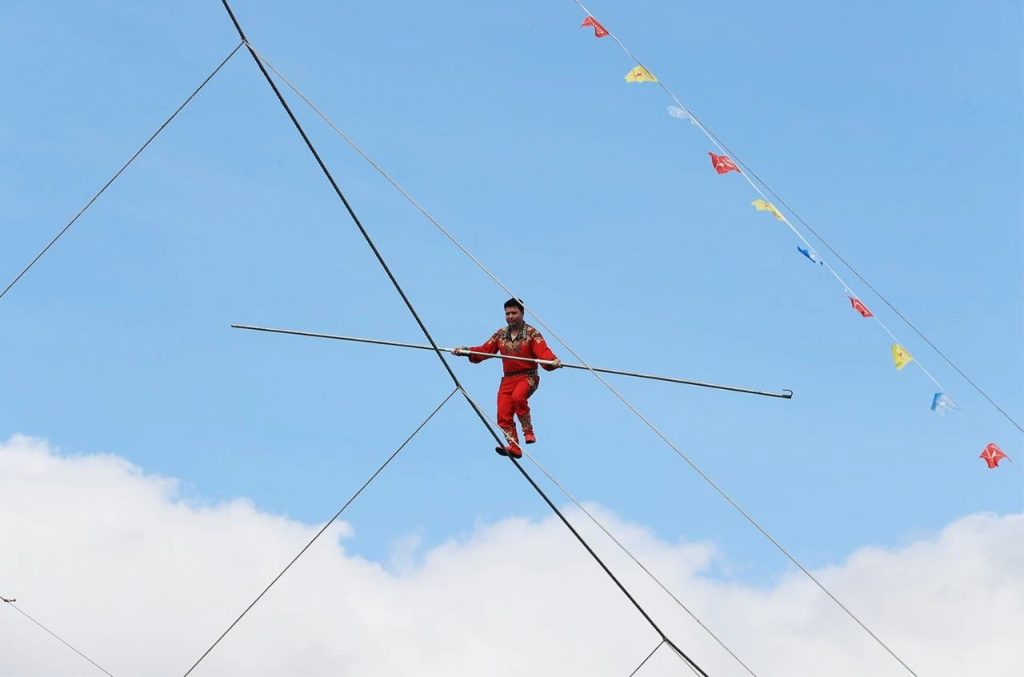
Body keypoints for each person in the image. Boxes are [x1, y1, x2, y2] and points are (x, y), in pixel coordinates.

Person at [454, 298, 561, 458]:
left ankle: (528, 432)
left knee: (518, 397)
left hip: (528, 376)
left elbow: (543, 352)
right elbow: (485, 350)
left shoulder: (532, 333)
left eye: (514, 313)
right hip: (508, 379)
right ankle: (514, 446)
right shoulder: (501, 334)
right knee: (503, 414)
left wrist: (552, 361)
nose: (510, 316)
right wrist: (467, 351)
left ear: (522, 313)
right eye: (507, 313)